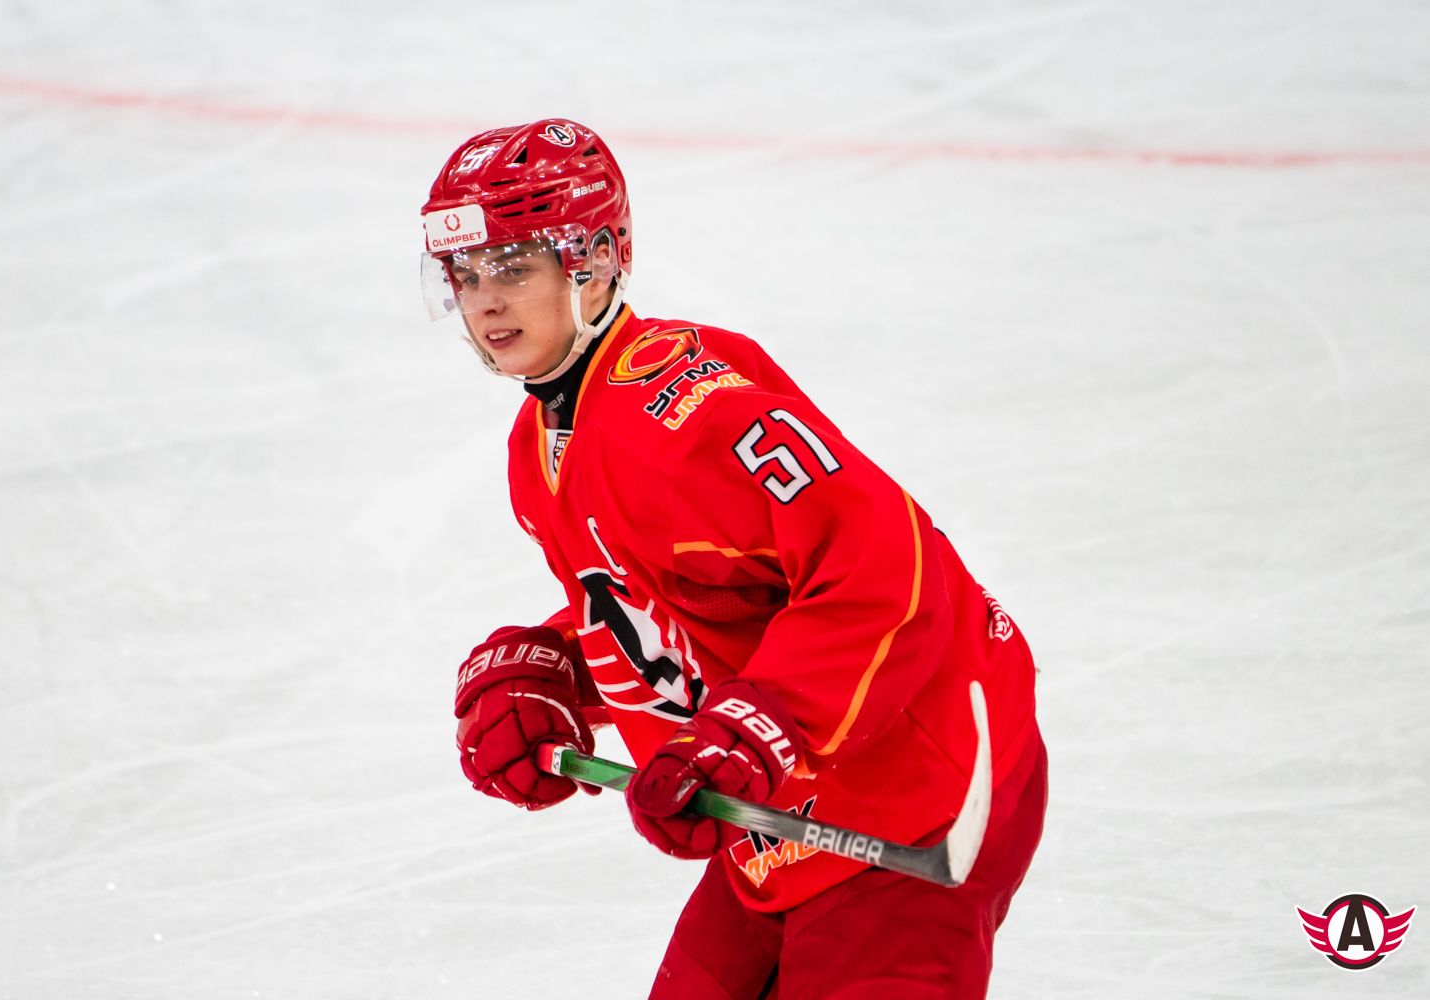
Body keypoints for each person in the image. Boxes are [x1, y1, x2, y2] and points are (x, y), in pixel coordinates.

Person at [422, 118, 1047, 999]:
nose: (485, 301)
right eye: (466, 273)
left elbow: (886, 571)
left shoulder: (690, 413)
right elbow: (680, 605)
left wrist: (761, 727)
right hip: (782, 821)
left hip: (918, 793)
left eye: (514, 267)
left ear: (593, 261)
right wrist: (556, 671)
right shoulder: (541, 443)